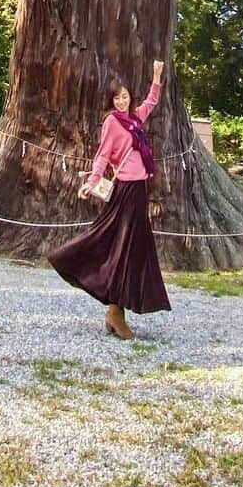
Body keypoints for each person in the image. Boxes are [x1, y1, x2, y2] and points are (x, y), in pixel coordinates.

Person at [48, 59, 171, 339]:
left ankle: (116, 311)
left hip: (140, 189)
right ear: (111, 101)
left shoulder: (135, 120)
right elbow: (103, 155)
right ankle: (112, 308)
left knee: (131, 249)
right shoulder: (112, 123)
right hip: (125, 190)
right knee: (119, 245)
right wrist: (91, 184)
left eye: (125, 96)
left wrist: (155, 75)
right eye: (116, 98)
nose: (121, 101)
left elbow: (152, 101)